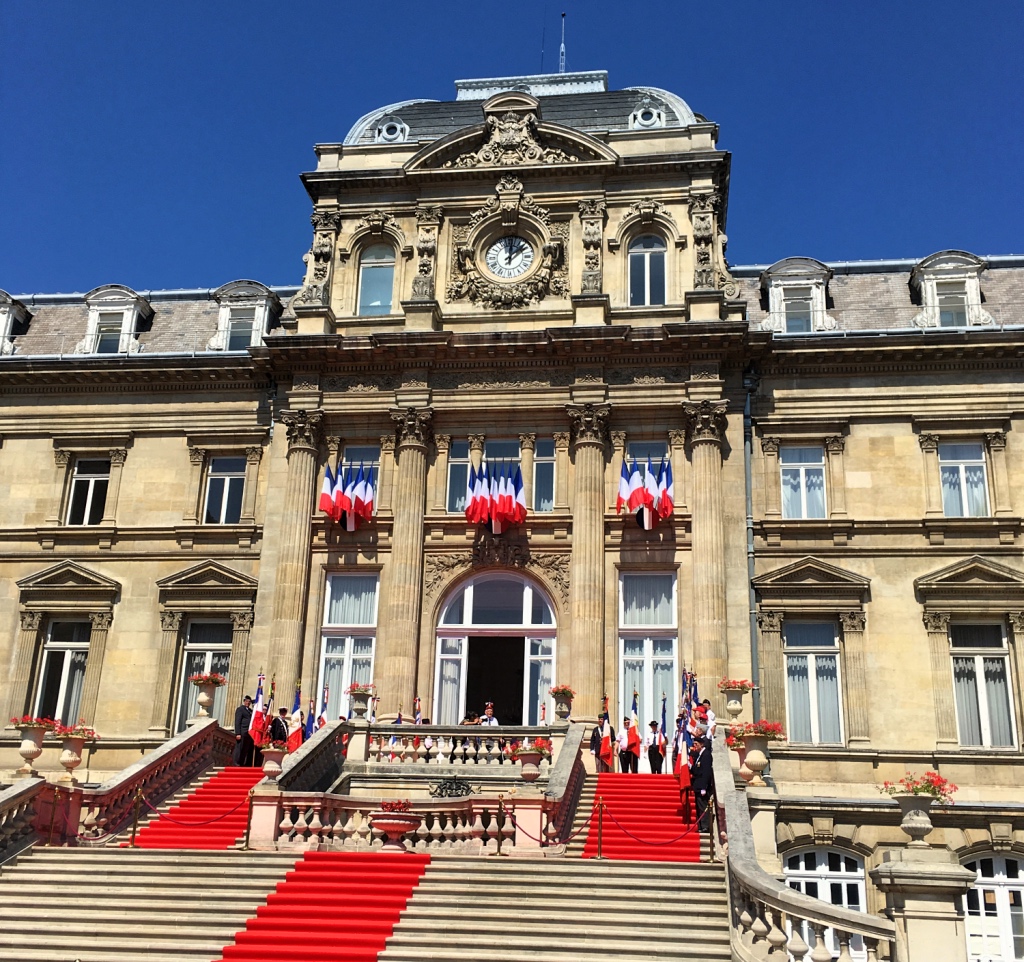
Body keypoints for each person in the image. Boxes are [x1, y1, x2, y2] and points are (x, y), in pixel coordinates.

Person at [690, 736, 715, 833]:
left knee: (703, 807)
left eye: (696, 744)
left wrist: (704, 787)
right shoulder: (699, 755)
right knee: (698, 807)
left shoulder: (706, 755)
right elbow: (697, 770)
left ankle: (705, 826)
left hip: (702, 787)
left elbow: (706, 772)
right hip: (697, 786)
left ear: (701, 744)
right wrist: (690, 766)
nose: (694, 746)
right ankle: (700, 826)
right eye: (694, 744)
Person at [232, 695, 255, 766]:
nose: (248, 703)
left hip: (249, 733)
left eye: (249, 702)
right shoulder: (240, 709)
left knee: (246, 749)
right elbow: (237, 721)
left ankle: (243, 763)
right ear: (244, 701)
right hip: (242, 732)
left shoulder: (251, 711)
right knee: (240, 748)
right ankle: (237, 763)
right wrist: (238, 733)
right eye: (246, 701)